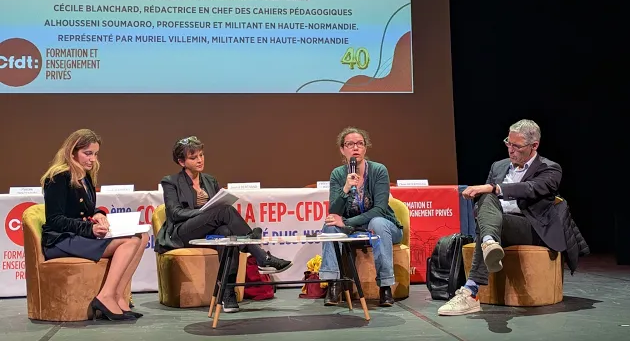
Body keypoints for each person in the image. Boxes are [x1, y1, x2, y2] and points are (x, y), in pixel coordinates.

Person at [438, 119, 567, 316]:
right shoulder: (498, 166)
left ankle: (471, 291)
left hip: (530, 228)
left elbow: (529, 188)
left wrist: (495, 188)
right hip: (498, 222)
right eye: (508, 143)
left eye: (517, 146)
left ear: (534, 146)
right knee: (487, 204)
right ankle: (488, 246)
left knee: (488, 206)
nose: (510, 150)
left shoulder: (550, 168)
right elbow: (486, 204)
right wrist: (488, 195)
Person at [154, 136, 292, 313]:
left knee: (227, 234)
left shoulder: (209, 180)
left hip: (207, 229)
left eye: (201, 155)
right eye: (193, 157)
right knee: (223, 211)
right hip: (182, 232)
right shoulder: (170, 181)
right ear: (182, 162)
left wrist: (210, 214)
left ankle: (228, 294)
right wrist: (204, 213)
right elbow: (175, 213)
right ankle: (260, 254)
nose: (200, 160)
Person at [40, 129, 149, 321]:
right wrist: (89, 229)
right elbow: (55, 219)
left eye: (96, 154)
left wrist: (98, 214)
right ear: (72, 152)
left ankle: (118, 296)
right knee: (130, 242)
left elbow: (84, 210)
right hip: (60, 240)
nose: (93, 159)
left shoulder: (86, 176)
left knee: (143, 237)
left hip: (77, 235)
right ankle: (106, 296)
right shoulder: (58, 178)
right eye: (87, 153)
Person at [319, 127, 403, 307]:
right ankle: (333, 285)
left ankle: (385, 287)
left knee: (377, 222)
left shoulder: (379, 170)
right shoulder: (338, 174)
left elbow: (380, 209)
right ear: (342, 150)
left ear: (365, 148)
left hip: (384, 227)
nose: (355, 148)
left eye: (359, 143)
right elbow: (334, 211)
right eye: (350, 144)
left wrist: (346, 222)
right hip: (353, 229)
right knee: (329, 226)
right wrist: (346, 188)